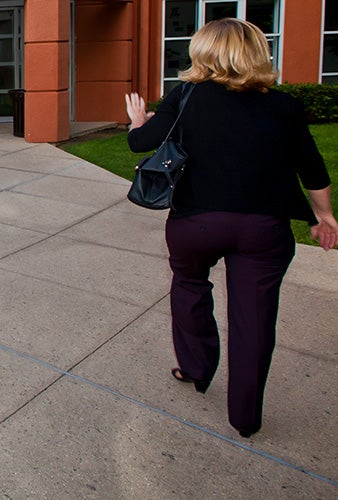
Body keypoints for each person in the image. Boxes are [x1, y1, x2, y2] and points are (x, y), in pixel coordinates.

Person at [124, 18, 337, 439]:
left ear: (203, 52)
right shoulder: (283, 106)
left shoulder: (185, 96)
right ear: (257, 52)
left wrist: (137, 119)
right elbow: (311, 168)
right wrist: (324, 216)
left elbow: (140, 143)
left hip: (194, 223)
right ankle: (245, 417)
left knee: (189, 286)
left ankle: (196, 368)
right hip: (263, 229)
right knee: (254, 319)